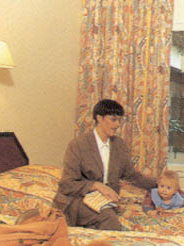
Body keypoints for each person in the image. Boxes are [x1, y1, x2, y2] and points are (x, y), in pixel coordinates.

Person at [53, 99, 157, 230]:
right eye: (113, 120)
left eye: (119, 120)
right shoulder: (78, 145)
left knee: (108, 217)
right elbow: (67, 184)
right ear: (99, 118)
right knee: (109, 220)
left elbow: (132, 175)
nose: (118, 124)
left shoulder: (119, 145)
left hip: (105, 201)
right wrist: (96, 185)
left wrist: (158, 184)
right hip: (79, 200)